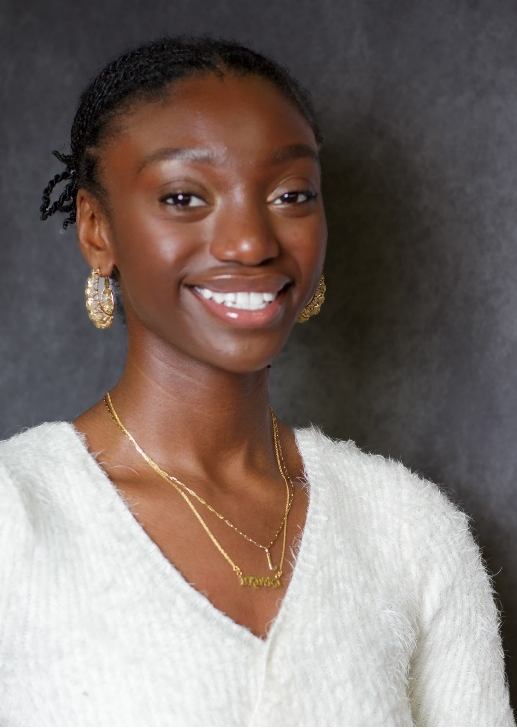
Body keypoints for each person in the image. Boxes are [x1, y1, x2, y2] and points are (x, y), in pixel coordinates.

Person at [0, 36, 513, 728]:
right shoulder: (16, 518)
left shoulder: (409, 533)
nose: (250, 242)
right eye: (185, 197)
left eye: (290, 194)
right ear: (97, 230)